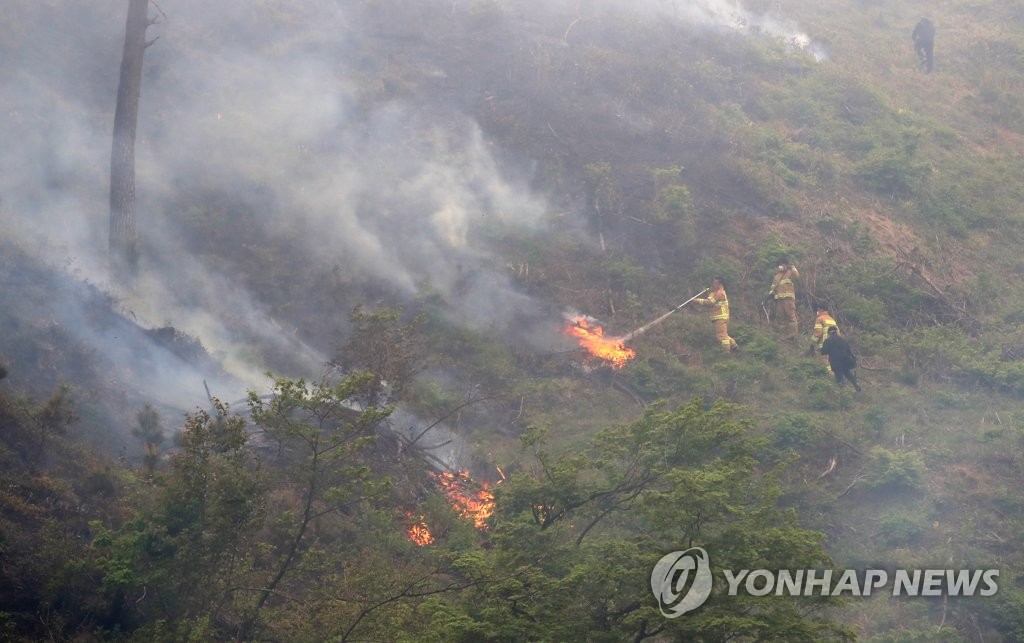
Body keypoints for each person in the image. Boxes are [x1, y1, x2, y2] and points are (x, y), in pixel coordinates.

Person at [695, 277, 738, 353]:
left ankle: (726, 352)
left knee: (721, 336)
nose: (713, 285)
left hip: (720, 317)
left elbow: (709, 303)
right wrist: (711, 294)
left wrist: (696, 300)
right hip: (722, 317)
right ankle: (734, 346)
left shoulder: (719, 293)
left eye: (715, 283)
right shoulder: (718, 292)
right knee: (724, 334)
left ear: (720, 284)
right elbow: (711, 299)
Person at [820, 327, 861, 391]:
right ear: (836, 332)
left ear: (829, 333)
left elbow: (824, 352)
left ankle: (842, 391)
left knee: (839, 377)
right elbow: (849, 351)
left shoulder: (828, 340)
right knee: (847, 373)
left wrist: (821, 348)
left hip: (836, 362)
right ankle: (856, 384)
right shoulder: (843, 340)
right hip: (845, 361)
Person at [768, 258, 799, 339]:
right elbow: (773, 287)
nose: (780, 266)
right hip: (779, 301)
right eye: (779, 265)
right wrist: (771, 294)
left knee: (791, 317)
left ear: (786, 265)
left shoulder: (790, 273)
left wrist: (792, 267)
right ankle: (783, 336)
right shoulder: (777, 276)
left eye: (782, 264)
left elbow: (797, 275)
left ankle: (793, 335)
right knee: (780, 319)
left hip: (788, 299)